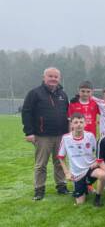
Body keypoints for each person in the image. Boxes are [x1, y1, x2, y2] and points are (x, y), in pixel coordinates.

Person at [21, 67, 69, 200]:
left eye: (56, 77)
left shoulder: (63, 94)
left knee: (59, 162)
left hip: (61, 135)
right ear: (44, 77)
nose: (53, 79)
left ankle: (61, 186)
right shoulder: (35, 93)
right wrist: (29, 132)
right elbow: (26, 112)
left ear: (59, 78)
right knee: (41, 164)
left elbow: (67, 113)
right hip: (42, 136)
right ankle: (39, 189)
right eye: (50, 76)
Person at [57, 113, 105, 206]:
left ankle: (97, 198)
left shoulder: (90, 136)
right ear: (71, 124)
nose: (78, 124)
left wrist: (96, 161)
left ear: (85, 124)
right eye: (75, 122)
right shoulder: (66, 138)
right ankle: (85, 186)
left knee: (102, 174)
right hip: (77, 173)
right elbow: (61, 157)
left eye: (81, 122)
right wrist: (67, 173)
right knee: (80, 203)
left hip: (90, 169)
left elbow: (99, 152)